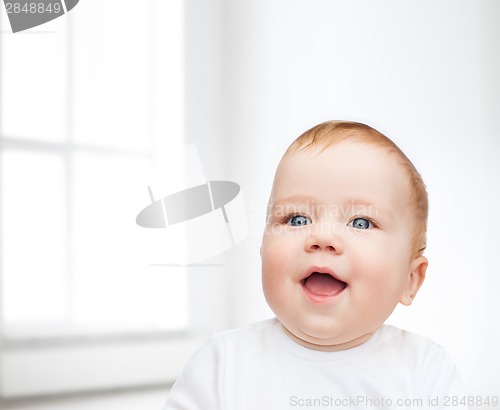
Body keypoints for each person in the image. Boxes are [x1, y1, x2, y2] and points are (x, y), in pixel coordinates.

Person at [163, 121, 465, 409]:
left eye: (361, 222)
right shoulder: (222, 364)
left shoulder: (424, 369)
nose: (321, 236)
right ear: (262, 252)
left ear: (410, 279)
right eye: (297, 219)